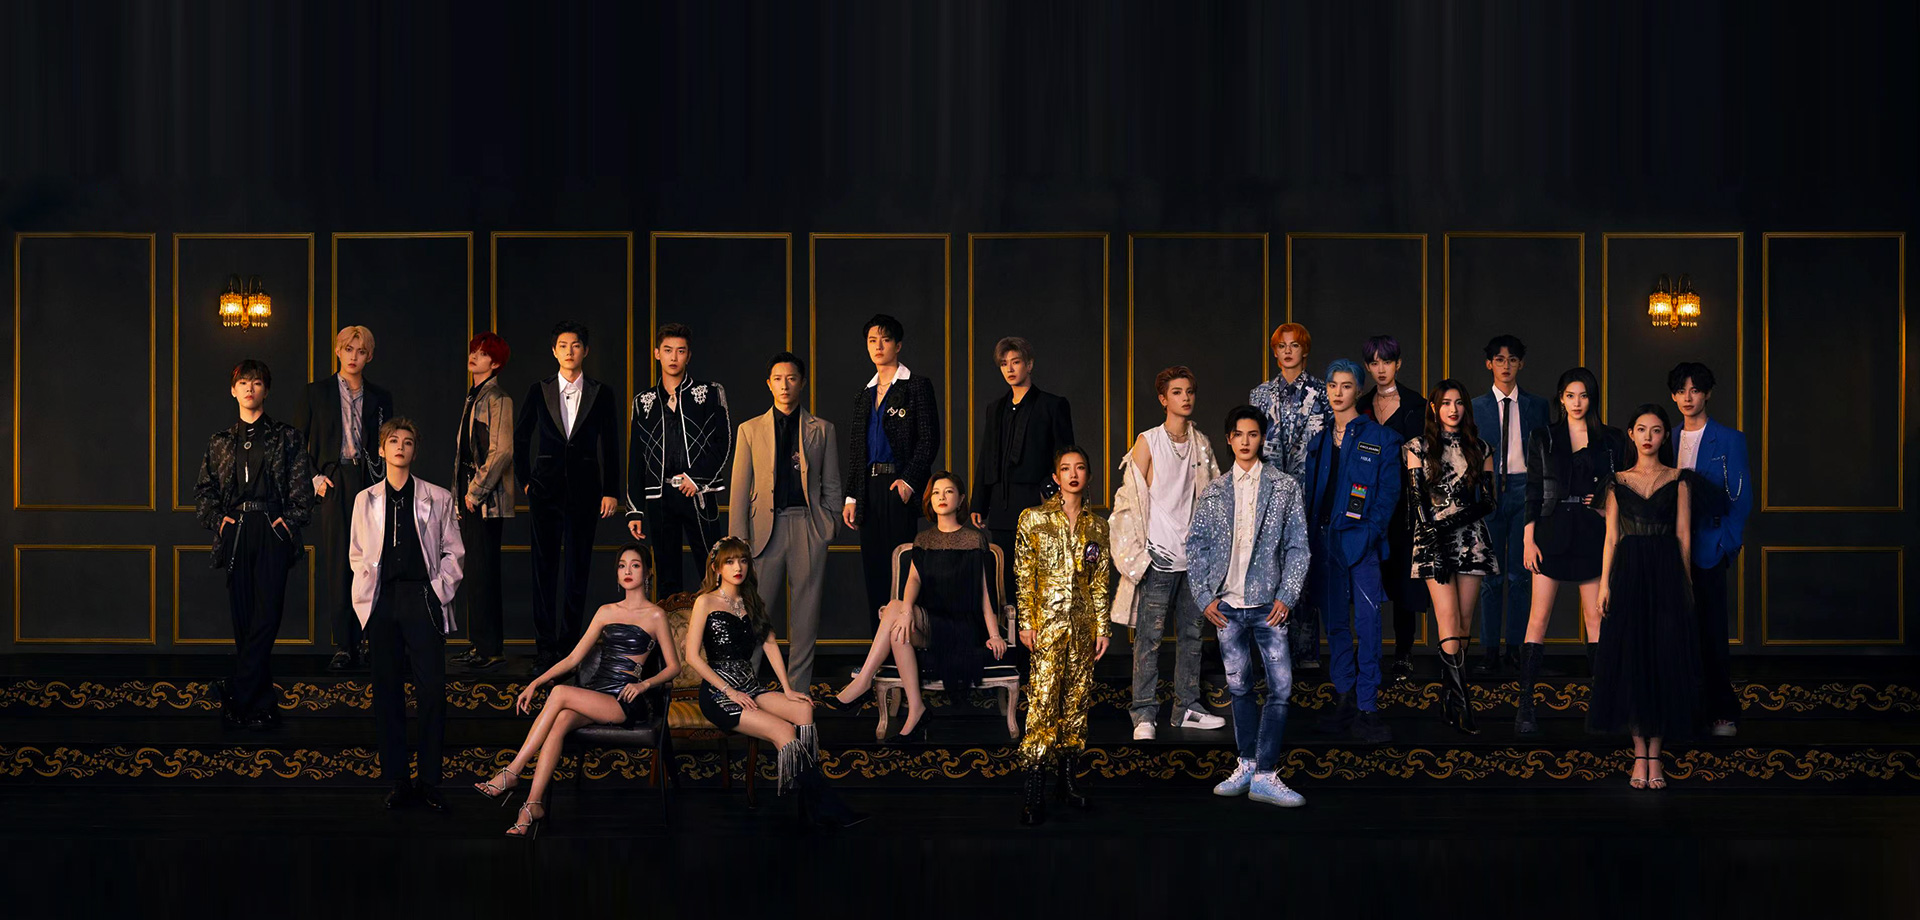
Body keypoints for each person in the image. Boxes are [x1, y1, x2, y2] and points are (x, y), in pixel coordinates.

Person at [476, 545, 682, 838]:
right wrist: (535, 682)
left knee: (560, 693)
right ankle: (532, 805)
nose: (627, 571)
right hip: (597, 693)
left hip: (624, 700)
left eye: (635, 565)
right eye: (622, 565)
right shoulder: (605, 611)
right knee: (560, 721)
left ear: (647, 572)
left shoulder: (656, 615)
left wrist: (643, 684)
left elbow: (674, 667)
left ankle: (512, 772)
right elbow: (573, 658)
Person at [683, 537, 865, 827]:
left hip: (749, 687)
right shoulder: (705, 602)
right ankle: (831, 808)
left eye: (743, 560)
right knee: (783, 730)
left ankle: (809, 807)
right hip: (719, 695)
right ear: (716, 568)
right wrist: (729, 691)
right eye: (729, 562)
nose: (738, 567)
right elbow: (692, 656)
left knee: (803, 709)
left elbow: (769, 643)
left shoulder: (751, 600)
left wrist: (788, 688)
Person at [1185, 406, 1311, 808]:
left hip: (1268, 605)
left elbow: (1298, 546)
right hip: (1228, 607)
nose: (1245, 441)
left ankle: (1267, 774)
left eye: (1253, 434)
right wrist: (1204, 597)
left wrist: (1287, 595)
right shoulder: (1215, 491)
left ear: (1262, 438)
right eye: (1238, 434)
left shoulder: (1284, 487)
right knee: (1239, 688)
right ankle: (1247, 764)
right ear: (1228, 439)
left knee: (1280, 689)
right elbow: (1196, 547)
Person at [832, 472, 1012, 740]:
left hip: (963, 623)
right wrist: (907, 611)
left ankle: (866, 681)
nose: (942, 497)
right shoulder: (923, 539)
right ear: (929, 500)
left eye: (949, 492)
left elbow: (984, 594)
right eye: (936, 492)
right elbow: (913, 580)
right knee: (898, 620)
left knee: (895, 617)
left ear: (961, 499)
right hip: (931, 620)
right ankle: (915, 708)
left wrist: (995, 634)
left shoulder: (974, 539)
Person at [348, 418, 466, 812]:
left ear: (415, 451)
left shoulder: (438, 497)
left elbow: (454, 552)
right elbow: (357, 554)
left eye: (408, 442)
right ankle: (398, 779)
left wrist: (437, 592)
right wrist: (366, 595)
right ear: (381, 450)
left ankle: (429, 780)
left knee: (431, 691)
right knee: (387, 691)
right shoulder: (365, 499)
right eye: (393, 441)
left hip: (422, 598)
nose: (400, 447)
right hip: (383, 600)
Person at [193, 359, 315, 731]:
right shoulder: (219, 441)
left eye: (257, 382)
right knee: (244, 621)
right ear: (233, 390)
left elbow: (302, 490)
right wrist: (220, 521)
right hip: (236, 531)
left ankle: (235, 690)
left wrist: (286, 523)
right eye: (243, 382)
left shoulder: (287, 437)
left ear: (266, 390)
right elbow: (203, 493)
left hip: (272, 529)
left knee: (267, 617)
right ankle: (259, 705)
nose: (250, 388)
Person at [1111, 365, 1223, 741]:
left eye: (1189, 391)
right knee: (1149, 639)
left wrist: (1209, 556)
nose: (1185, 398)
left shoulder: (1201, 443)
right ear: (1163, 399)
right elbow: (1128, 503)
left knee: (1192, 637)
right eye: (1177, 392)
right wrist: (1138, 558)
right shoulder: (1148, 441)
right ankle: (1144, 713)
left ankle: (1187, 707)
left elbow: (1213, 501)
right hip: (1157, 560)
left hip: (1193, 561)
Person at [1515, 367, 1630, 733]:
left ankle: (1602, 706)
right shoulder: (1543, 436)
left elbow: (1622, 487)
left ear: (1591, 398)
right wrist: (1528, 539)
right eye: (1570, 396)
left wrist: (1605, 509)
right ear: (1561, 399)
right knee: (1538, 619)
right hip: (1551, 530)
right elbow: (1533, 490)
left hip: (1592, 533)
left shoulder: (1611, 439)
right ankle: (1526, 706)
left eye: (1583, 395)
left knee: (1595, 619)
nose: (1577, 402)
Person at [1591, 404, 1698, 791]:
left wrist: (1685, 584)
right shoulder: (1617, 481)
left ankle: (1657, 754)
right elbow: (1611, 538)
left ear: (1665, 436)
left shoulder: (1680, 480)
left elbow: (1683, 536)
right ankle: (1640, 753)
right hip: (1630, 572)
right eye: (1641, 429)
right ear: (1631, 434)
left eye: (1655, 430)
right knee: (1634, 660)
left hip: (1667, 572)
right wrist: (1604, 585)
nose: (1648, 436)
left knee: (1664, 659)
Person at [1302, 359, 1403, 744]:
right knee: (1335, 625)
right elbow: (1312, 497)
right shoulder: (1319, 442)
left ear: (1358, 391)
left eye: (1346, 386)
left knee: (1368, 624)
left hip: (1361, 543)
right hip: (1323, 542)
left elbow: (1389, 495)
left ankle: (1367, 706)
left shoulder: (1382, 438)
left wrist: (1370, 534)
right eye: (1333, 385)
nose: (1338, 392)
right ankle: (1344, 698)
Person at [728, 351, 842, 691]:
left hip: (808, 526)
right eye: (778, 379)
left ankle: (798, 692)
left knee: (806, 617)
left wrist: (829, 525)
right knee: (754, 614)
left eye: (791, 378)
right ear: (769, 384)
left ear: (801, 383)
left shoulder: (823, 429)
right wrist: (737, 540)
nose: (784, 385)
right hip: (763, 530)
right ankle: (744, 689)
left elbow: (832, 483)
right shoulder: (749, 430)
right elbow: (739, 487)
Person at [514, 321, 622, 675]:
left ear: (585, 351)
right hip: (544, 492)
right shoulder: (538, 390)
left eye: (575, 345)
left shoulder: (601, 393)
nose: (569, 351)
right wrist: (526, 481)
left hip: (586, 492)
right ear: (554, 350)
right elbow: (520, 438)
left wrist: (611, 490)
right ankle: (545, 649)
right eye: (563, 345)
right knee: (543, 571)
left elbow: (611, 444)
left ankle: (569, 648)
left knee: (577, 571)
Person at [1014, 446, 1111, 826]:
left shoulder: (1098, 526)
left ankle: (1067, 784)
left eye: (1080, 468)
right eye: (1066, 469)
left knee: (1076, 703)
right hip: (1047, 625)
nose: (1073, 474)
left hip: (1083, 626)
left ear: (1088, 475)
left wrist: (1102, 628)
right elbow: (1024, 574)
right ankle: (1034, 790)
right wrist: (1026, 621)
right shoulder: (1034, 519)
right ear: (1056, 477)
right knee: (1042, 703)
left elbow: (1100, 581)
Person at [293, 326, 394, 671]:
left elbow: (389, 443)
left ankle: (372, 640)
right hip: (334, 483)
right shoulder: (316, 392)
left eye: (361, 351)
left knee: (373, 562)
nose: (354, 357)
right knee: (339, 564)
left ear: (369, 356)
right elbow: (296, 444)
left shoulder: (380, 396)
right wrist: (315, 479)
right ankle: (344, 645)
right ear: (338, 351)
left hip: (370, 482)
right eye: (348, 349)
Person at [1662, 362, 1751, 739]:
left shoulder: (1729, 439)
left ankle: (1721, 712)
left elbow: (1740, 499)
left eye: (1695, 390)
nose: (1688, 397)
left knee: (1712, 634)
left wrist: (1724, 544)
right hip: (1668, 550)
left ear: (1707, 393)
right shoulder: (1665, 438)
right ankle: (1681, 711)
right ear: (1673, 395)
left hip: (1709, 548)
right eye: (1681, 390)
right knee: (1674, 634)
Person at [1404, 379, 1498, 734]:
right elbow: (1417, 502)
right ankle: (1465, 706)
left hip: (1471, 540)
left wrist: (1449, 524)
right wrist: (1437, 539)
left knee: (1464, 623)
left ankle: (1448, 698)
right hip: (1432, 540)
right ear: (1434, 407)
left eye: (1458, 403)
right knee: (1447, 619)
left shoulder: (1481, 447)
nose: (1453, 409)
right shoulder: (1417, 447)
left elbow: (1488, 502)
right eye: (1445, 403)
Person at [843, 314, 941, 628]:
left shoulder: (916, 386)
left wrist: (909, 481)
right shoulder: (864, 394)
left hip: (898, 486)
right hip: (868, 490)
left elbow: (929, 440)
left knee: (902, 568)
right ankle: (879, 646)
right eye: (872, 340)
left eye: (885, 340)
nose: (878, 346)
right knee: (874, 570)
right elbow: (857, 450)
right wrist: (851, 496)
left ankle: (904, 643)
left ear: (898, 345)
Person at [626, 323, 731, 597]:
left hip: (698, 492)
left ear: (689, 355)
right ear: (656, 354)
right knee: (666, 576)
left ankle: (717, 625)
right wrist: (635, 509)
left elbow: (723, 443)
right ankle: (669, 627)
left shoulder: (710, 392)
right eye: (668, 350)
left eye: (681, 351)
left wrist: (696, 478)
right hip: (659, 496)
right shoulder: (643, 401)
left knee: (713, 570)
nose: (674, 357)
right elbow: (636, 458)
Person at [1249, 322, 1330, 670]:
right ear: (1274, 352)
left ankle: (1307, 653)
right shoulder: (1259, 395)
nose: (1287, 351)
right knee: (1270, 568)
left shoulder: (1322, 392)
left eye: (1294, 345)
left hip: (1311, 493)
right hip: (1270, 495)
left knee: (1305, 569)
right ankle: (1273, 653)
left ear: (1304, 350)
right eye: (1281, 346)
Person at [972, 336, 1074, 605]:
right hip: (1001, 505)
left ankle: (1038, 633)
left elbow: (1066, 456)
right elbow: (986, 456)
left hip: (1037, 504)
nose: (1009, 368)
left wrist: (1047, 492)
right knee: (1006, 581)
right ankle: (1011, 633)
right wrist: (979, 502)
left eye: (1015, 362)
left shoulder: (1052, 405)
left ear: (1029, 365)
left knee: (1038, 579)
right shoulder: (995, 408)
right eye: (1004, 364)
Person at [1470, 335, 1549, 675]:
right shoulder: (1476, 407)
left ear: (1521, 364)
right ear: (1489, 364)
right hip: (1489, 489)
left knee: (1520, 575)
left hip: (1524, 487)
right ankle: (1489, 651)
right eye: (1499, 359)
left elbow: (1545, 453)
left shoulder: (1537, 405)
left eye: (1512, 360)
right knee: (1491, 576)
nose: (1506, 366)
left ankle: (1515, 648)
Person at [1357, 335, 1430, 681]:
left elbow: (1428, 457)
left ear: (1398, 364)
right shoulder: (1361, 405)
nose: (1381, 369)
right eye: (1374, 363)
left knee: (1404, 579)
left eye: (1387, 361)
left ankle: (1404, 653)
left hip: (1405, 505)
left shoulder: (1417, 405)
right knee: (1367, 577)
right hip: (1368, 505)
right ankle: (1368, 652)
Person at [450, 332, 515, 672]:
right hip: (469, 494)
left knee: (484, 570)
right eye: (473, 350)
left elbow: (502, 451)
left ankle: (489, 649)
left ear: (496, 362)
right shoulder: (474, 395)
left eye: (483, 353)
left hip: (485, 500)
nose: (474, 355)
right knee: (474, 571)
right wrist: (460, 496)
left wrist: (475, 491)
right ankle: (479, 644)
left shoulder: (498, 398)